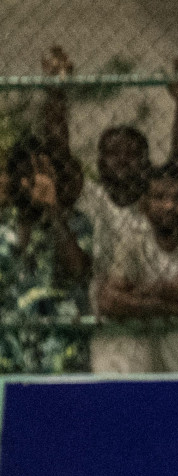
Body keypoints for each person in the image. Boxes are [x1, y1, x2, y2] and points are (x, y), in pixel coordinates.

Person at [39, 47, 178, 373]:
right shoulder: (94, 199)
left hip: (162, 318)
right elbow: (58, 152)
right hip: (111, 321)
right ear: (98, 162)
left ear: (147, 161)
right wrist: (57, 93)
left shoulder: (157, 202)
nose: (123, 160)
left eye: (133, 154)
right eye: (113, 153)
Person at [97, 164, 178, 372]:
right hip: (146, 345)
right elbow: (110, 300)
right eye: (159, 197)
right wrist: (167, 307)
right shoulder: (132, 242)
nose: (169, 205)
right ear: (144, 204)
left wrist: (142, 294)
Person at [0, 139, 93, 373]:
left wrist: (53, 209)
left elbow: (78, 270)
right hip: (10, 349)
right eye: (21, 176)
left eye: (36, 176)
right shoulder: (4, 224)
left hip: (61, 349)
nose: (27, 184)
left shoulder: (74, 222)